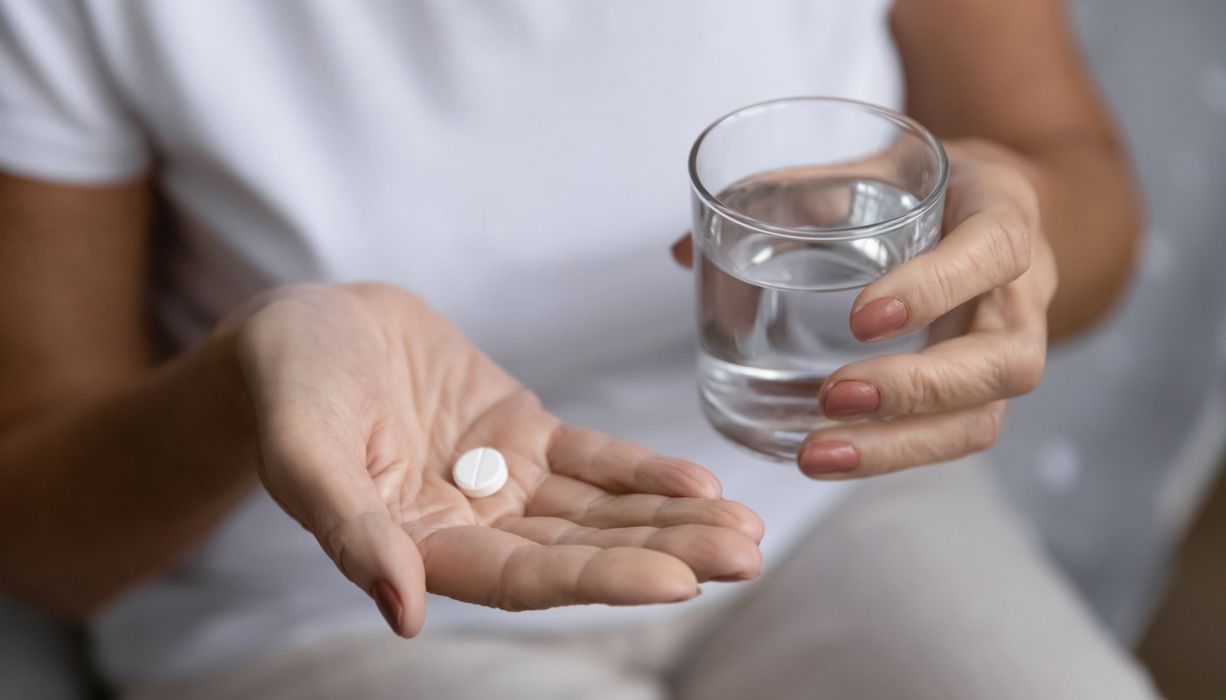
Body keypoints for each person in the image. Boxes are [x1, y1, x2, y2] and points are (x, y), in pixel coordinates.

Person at [0, 0, 1155, 698]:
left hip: (823, 489)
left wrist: (1017, 220)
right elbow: (44, 532)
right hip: (340, 589)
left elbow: (1078, 177)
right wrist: (245, 381)